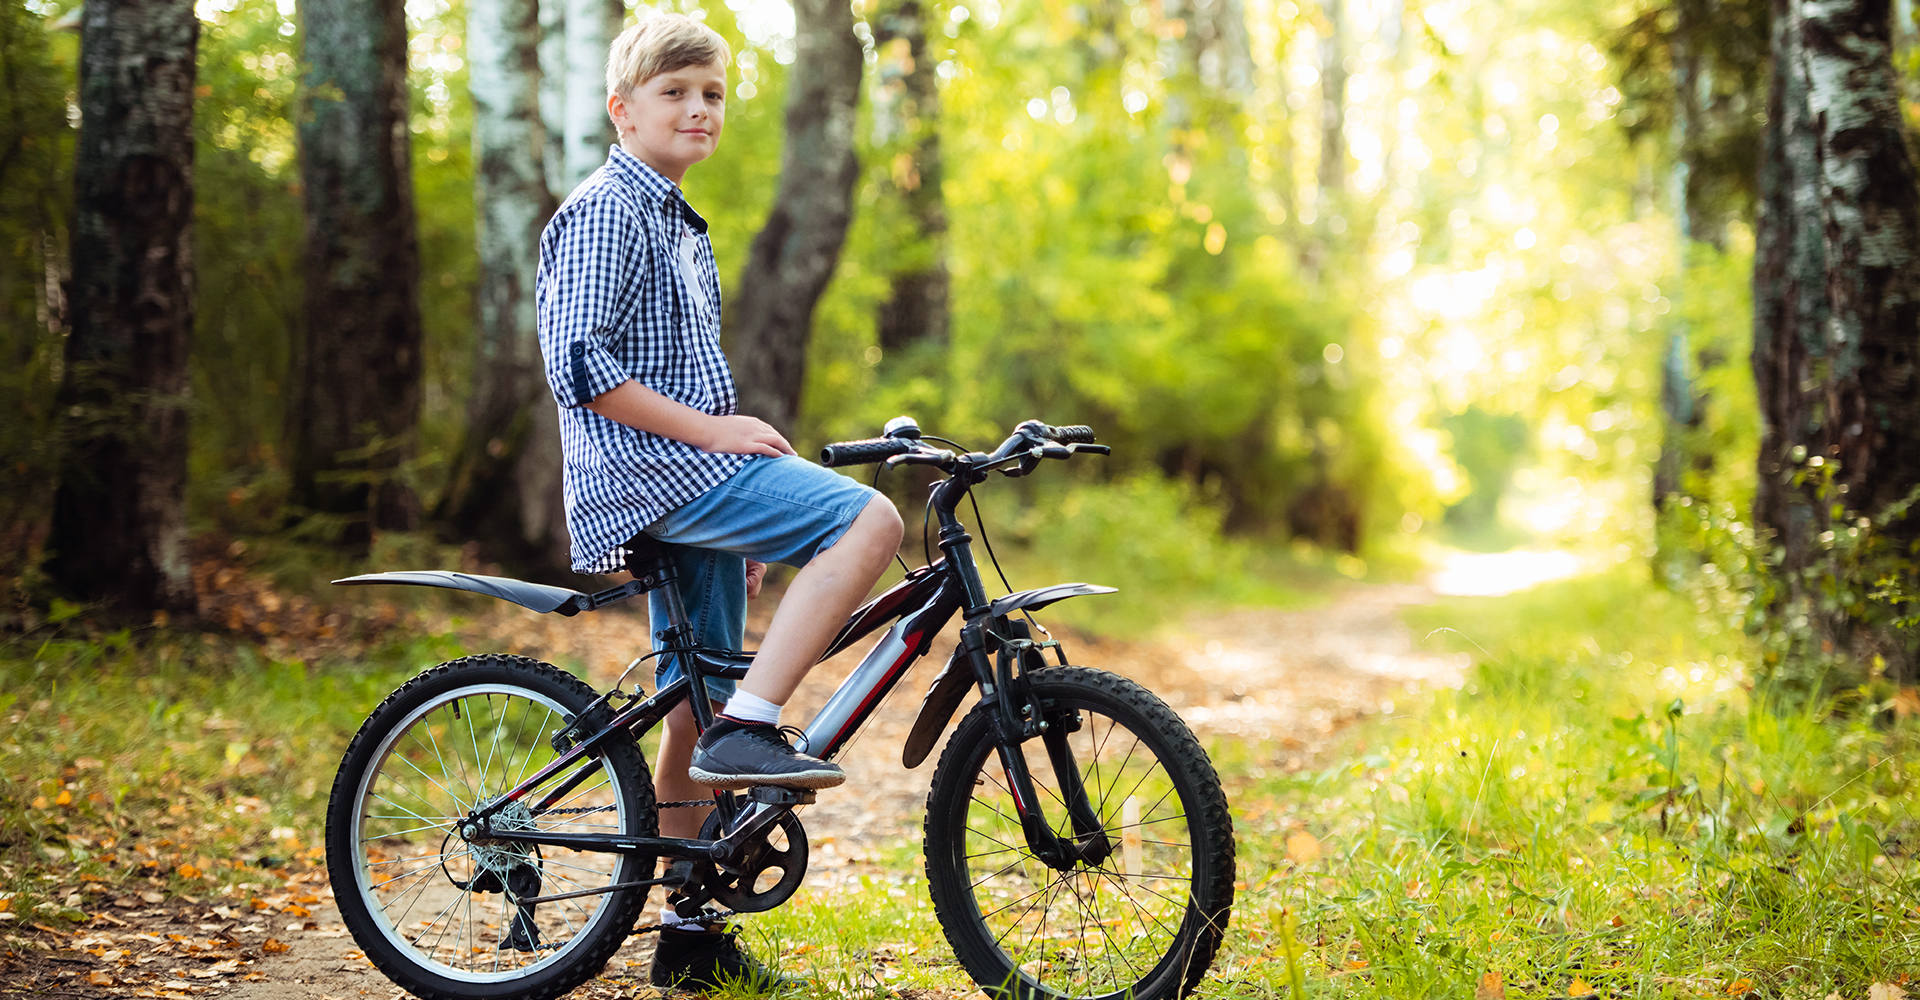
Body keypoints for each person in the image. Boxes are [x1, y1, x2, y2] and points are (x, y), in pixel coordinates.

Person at [534, 12, 904, 993]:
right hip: (654, 472)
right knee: (870, 520)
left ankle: (687, 928)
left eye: (713, 94)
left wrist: (730, 501)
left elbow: (678, 374)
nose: (699, 109)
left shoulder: (674, 217)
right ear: (623, 111)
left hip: (687, 480)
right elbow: (580, 365)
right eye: (675, 94)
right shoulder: (609, 209)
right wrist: (718, 441)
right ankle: (758, 720)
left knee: (692, 715)